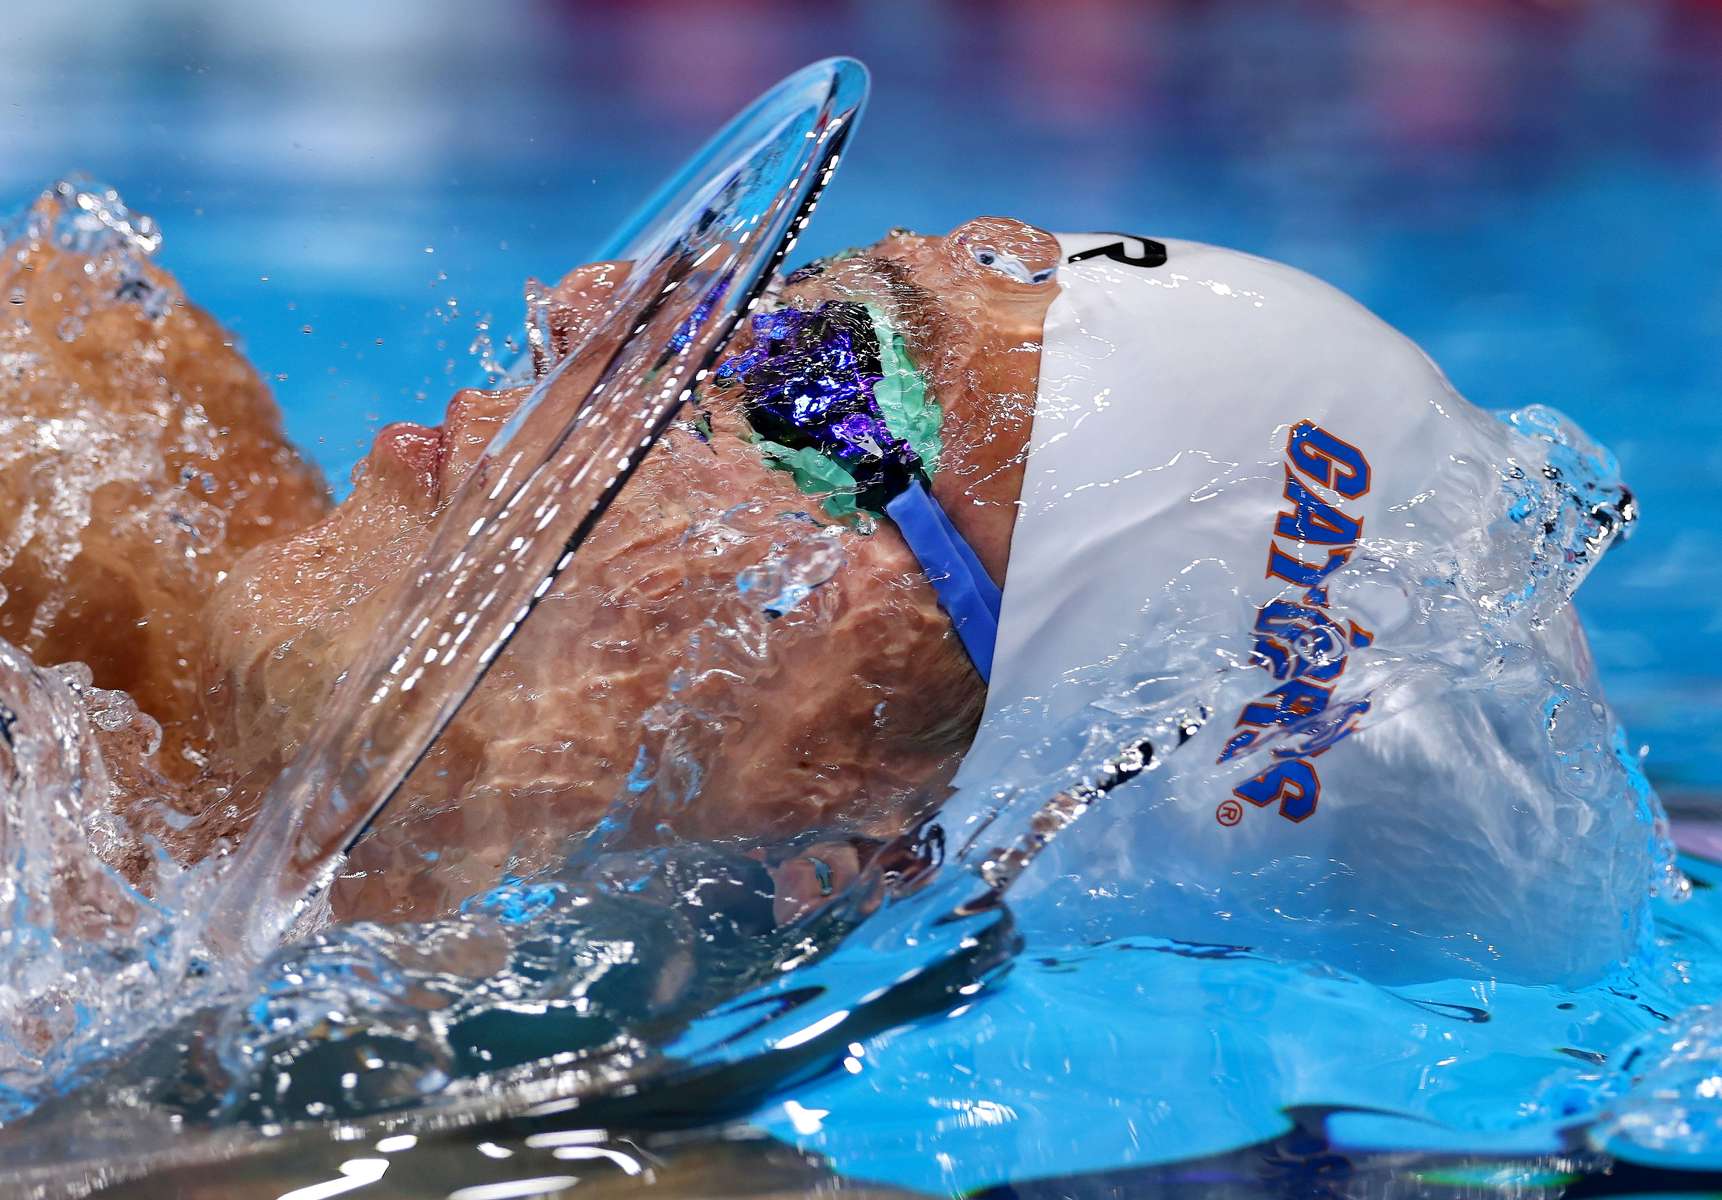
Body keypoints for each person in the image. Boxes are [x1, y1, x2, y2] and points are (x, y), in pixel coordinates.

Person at [0, 192, 1654, 979]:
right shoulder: (67, 435)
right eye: (773, 287)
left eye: (810, 375)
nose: (593, 302)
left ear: (880, 842)